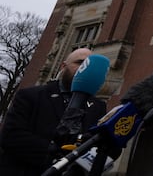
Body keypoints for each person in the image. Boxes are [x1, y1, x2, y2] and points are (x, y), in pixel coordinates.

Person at [0, 47, 108, 176]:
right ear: (63, 66)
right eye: (79, 62)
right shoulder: (31, 95)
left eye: (88, 65)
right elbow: (11, 136)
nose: (83, 69)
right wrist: (54, 153)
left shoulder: (98, 106)